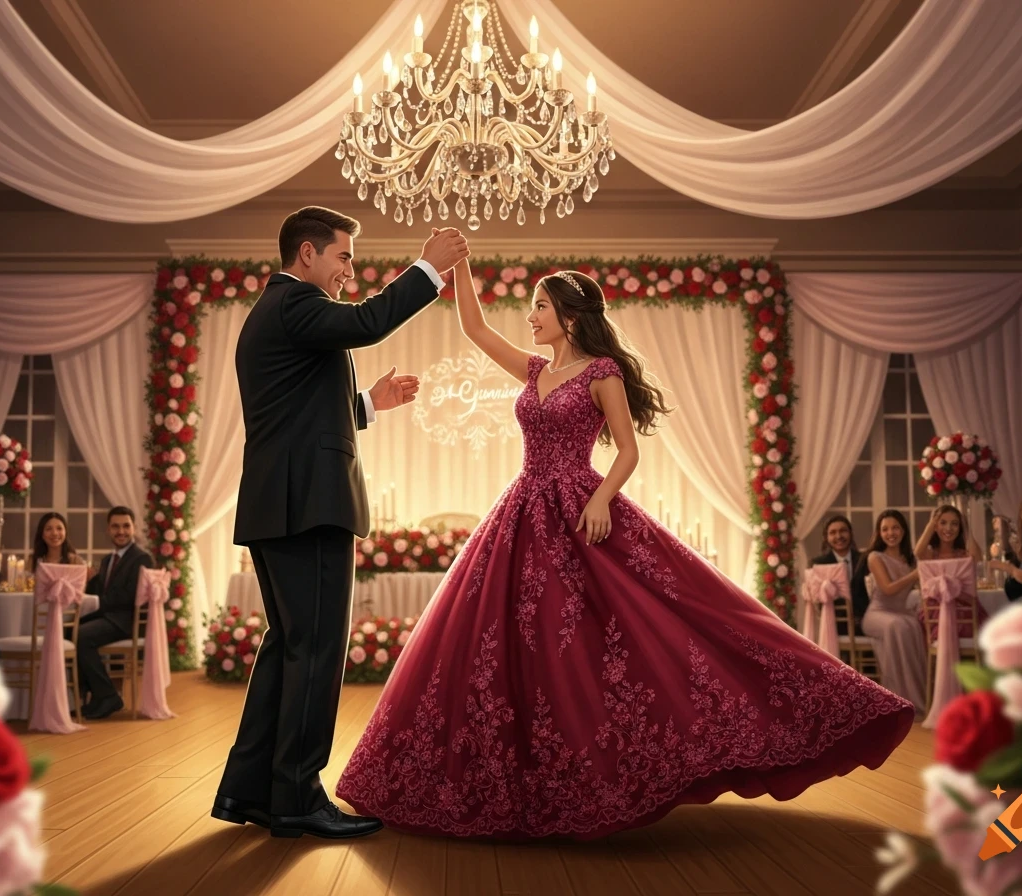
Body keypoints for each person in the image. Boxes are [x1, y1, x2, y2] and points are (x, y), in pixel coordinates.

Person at [334, 263, 913, 840]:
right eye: (532, 307)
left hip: (581, 506)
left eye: (540, 307)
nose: (531, 317)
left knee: (643, 622)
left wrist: (602, 500)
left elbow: (628, 451)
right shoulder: (535, 370)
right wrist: (455, 268)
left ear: (570, 315)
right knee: (504, 644)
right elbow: (476, 331)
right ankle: (519, 781)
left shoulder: (602, 372)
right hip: (522, 510)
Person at [213, 208, 469, 840]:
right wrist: (429, 267)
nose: (349, 269)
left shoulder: (276, 314)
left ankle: (255, 791)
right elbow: (367, 322)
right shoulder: (295, 304)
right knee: (318, 651)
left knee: (289, 647)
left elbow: (296, 411)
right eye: (344, 257)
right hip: (309, 505)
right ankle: (297, 798)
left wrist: (368, 406)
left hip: (282, 503)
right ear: (307, 254)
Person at [78, 506, 153, 719]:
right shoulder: (107, 560)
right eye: (116, 526)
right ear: (108, 530)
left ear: (134, 528)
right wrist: (89, 580)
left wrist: (98, 601)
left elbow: (128, 597)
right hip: (108, 618)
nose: (121, 531)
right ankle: (89, 696)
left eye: (126, 526)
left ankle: (108, 695)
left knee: (82, 636)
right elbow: (101, 592)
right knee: (69, 632)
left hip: (125, 621)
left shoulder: (141, 558)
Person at [859, 510, 927, 715]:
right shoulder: (875, 556)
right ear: (879, 533)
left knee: (913, 624)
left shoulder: (910, 558)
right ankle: (896, 699)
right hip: (877, 613)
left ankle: (917, 698)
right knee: (898, 625)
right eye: (885, 529)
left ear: (904, 530)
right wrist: (915, 574)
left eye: (895, 527)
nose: (891, 533)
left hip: (900, 612)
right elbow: (887, 589)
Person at [913, 504, 987, 639]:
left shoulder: (963, 554)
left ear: (959, 529)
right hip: (935, 610)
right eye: (943, 523)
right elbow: (918, 552)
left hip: (964, 608)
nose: (948, 528)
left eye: (954, 524)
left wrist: (966, 528)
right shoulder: (930, 553)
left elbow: (978, 557)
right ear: (935, 526)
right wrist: (931, 524)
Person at [810, 515, 868, 632]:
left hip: (866, 621)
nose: (838, 536)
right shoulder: (818, 564)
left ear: (850, 533)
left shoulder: (865, 559)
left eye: (843, 531)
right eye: (833, 532)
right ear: (826, 538)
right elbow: (819, 601)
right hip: (834, 625)